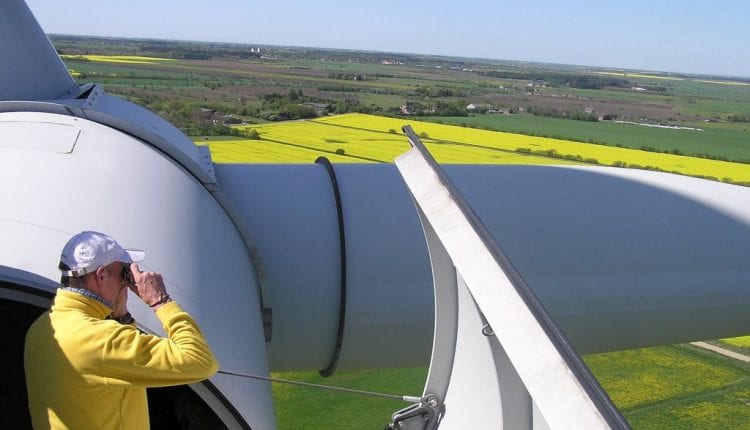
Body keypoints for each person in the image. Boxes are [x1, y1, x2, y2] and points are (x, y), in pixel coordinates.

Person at [24, 231, 220, 429]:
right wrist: (160, 301)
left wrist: (121, 317)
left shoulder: (41, 328)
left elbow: (109, 373)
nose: (127, 281)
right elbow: (200, 361)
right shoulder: (101, 340)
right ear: (101, 275)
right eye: (123, 273)